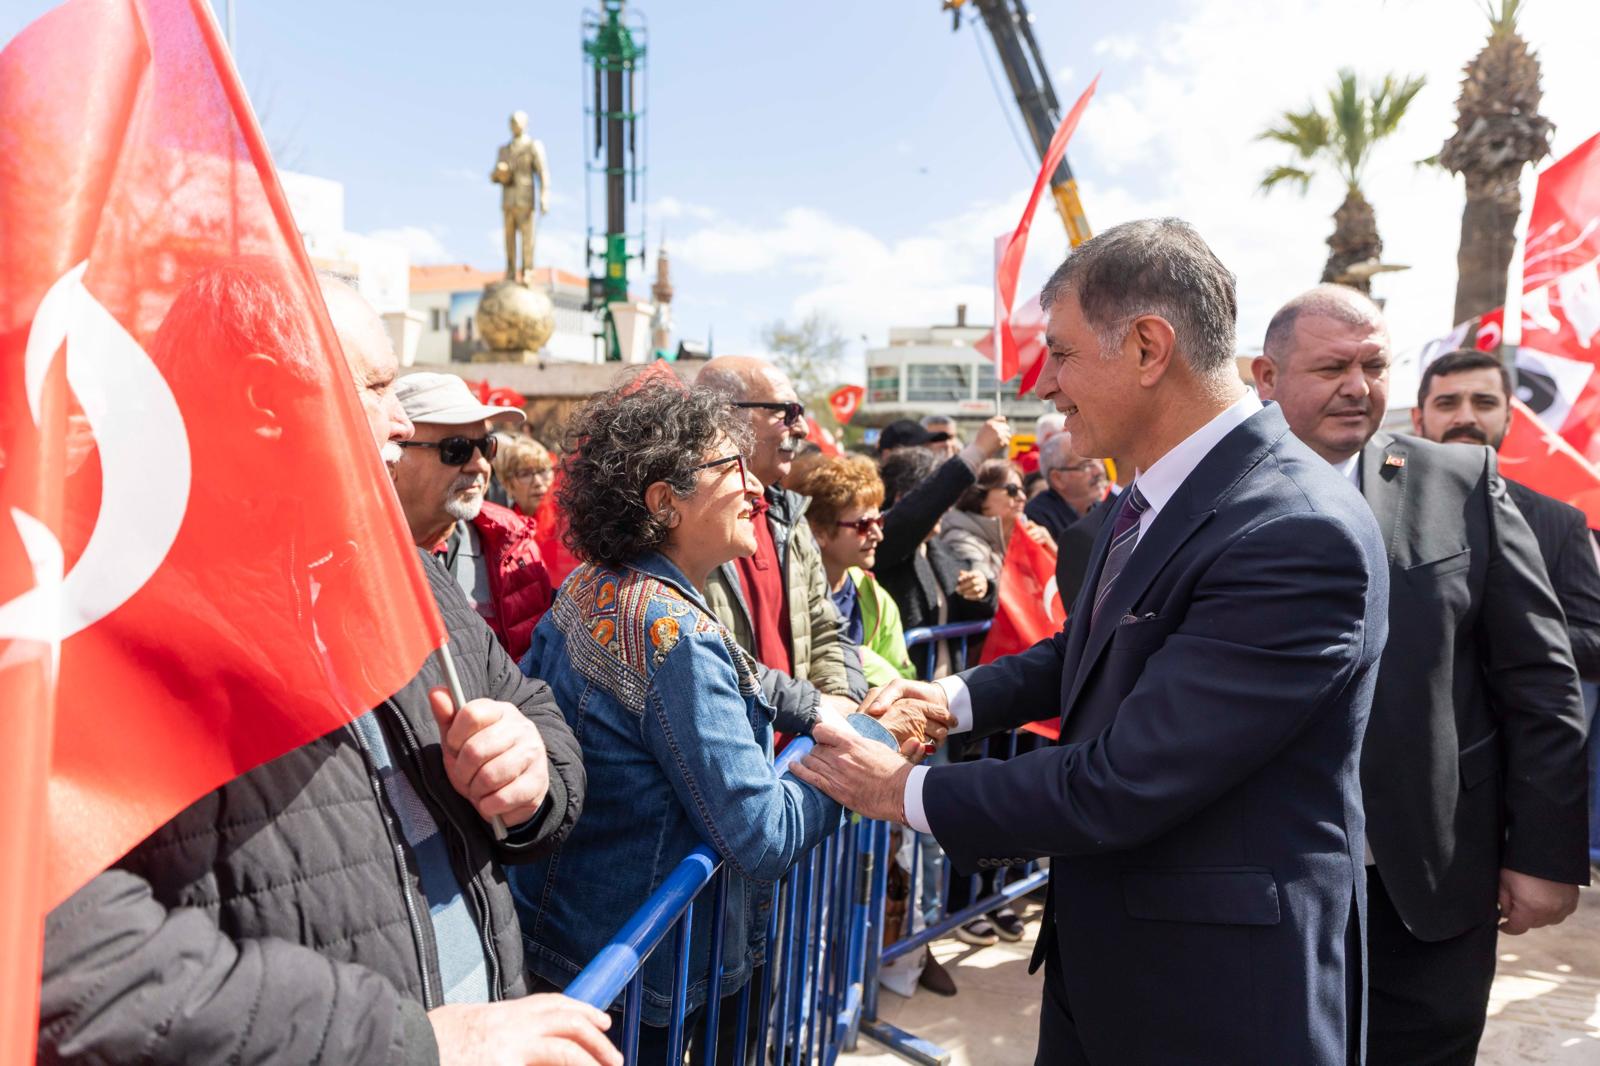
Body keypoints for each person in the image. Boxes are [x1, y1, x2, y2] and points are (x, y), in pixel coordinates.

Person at [794, 219, 1388, 1065]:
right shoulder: (1156, 498)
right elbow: (1096, 647)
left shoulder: (1293, 530)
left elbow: (1124, 781)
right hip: (1113, 968)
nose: (1049, 385)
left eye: (1063, 354)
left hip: (1216, 1001)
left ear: (1149, 346)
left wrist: (906, 793)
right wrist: (952, 699)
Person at [39, 269, 609, 1066]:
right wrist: (407, 1046)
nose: (401, 419)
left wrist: (531, 773)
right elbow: (66, 962)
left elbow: (534, 713)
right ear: (265, 404)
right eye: (376, 385)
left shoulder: (399, 572)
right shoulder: (87, 626)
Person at [508, 380, 906, 1061]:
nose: (755, 490)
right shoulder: (674, 633)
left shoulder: (599, 583)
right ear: (665, 502)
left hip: (571, 941)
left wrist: (816, 707)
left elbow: (740, 671)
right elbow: (764, 833)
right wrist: (873, 740)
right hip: (641, 974)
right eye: (732, 469)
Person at [1254, 285, 1590, 1066]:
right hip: (1263, 890)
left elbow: (1540, 679)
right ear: (1266, 379)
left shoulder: (1461, 482)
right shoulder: (1217, 495)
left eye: (1374, 365)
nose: (1358, 386)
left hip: (1425, 885)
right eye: (1332, 366)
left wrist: (1542, 854)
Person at [695, 356, 870, 733]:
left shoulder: (788, 516)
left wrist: (841, 705)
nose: (803, 428)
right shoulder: (682, 523)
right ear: (724, 416)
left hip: (798, 753)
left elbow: (827, 627)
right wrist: (815, 708)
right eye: (787, 412)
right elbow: (707, 660)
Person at [1411, 348, 1600, 682]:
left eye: (1484, 403)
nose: (1466, 417)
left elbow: (1594, 645)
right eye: (1447, 403)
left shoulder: (1560, 523)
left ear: (1509, 418)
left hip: (1510, 728)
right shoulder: (1372, 504)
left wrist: (1499, 632)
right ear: (1417, 418)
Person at [393, 372, 553, 661]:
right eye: (456, 449)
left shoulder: (516, 548)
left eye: (486, 446)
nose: (478, 464)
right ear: (393, 454)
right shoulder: (342, 556)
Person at [791, 455, 916, 686]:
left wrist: (861, 659)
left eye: (879, 522)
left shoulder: (876, 598)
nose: (878, 535)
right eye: (864, 525)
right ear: (819, 531)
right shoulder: (785, 593)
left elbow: (905, 679)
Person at [940, 460, 1053, 589]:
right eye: (1012, 490)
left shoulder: (1018, 533)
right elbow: (991, 592)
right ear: (980, 497)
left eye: (1023, 490)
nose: (1022, 497)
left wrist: (1050, 548)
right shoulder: (960, 538)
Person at [1024, 431, 1107, 545]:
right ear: (1057, 479)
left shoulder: (1108, 509)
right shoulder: (1038, 517)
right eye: (1086, 465)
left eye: (1100, 462)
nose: (1099, 471)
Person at [496, 435, 557, 520]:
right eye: (525, 474)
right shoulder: (503, 529)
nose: (538, 482)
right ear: (508, 485)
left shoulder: (571, 522)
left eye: (543, 470)